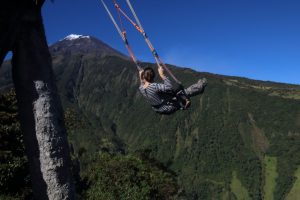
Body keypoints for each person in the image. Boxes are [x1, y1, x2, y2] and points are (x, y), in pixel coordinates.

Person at [139, 66, 207, 114]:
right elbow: (169, 87)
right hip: (167, 107)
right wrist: (162, 75)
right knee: (181, 92)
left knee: (170, 92)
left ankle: (182, 101)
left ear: (143, 77)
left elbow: (142, 82)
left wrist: (140, 76)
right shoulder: (154, 86)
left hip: (157, 108)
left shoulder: (141, 88)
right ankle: (200, 87)